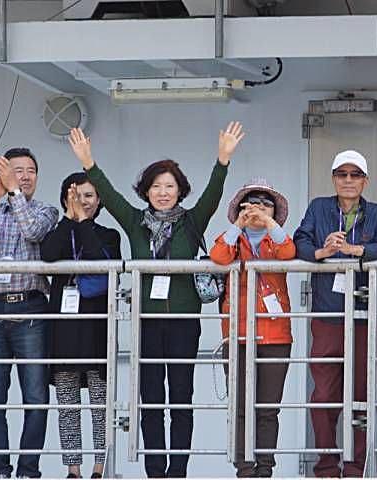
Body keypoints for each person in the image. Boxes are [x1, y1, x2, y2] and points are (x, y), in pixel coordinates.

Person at [68, 122, 245, 478]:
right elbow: (110, 196)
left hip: (183, 323)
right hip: (145, 323)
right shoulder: (135, 221)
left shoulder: (192, 221)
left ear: (180, 191)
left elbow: (213, 195)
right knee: (149, 398)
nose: (163, 193)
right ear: (146, 191)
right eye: (156, 187)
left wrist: (223, 160)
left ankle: (177, 471)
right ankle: (155, 471)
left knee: (180, 397)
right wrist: (88, 163)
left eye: (169, 186)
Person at [293, 150, 377, 477]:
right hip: (327, 313)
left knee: (362, 395)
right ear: (333, 178)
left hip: (365, 315)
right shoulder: (318, 207)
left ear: (365, 180)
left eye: (355, 175)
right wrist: (322, 252)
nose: (348, 180)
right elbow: (299, 242)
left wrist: (354, 250)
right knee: (323, 396)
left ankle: (355, 468)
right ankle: (326, 466)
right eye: (342, 174)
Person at [0, 148, 59, 479]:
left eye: (30, 171)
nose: (24, 176)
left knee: (35, 396)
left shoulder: (45, 210)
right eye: (17, 170)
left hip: (31, 307)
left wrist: (14, 193)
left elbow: (33, 232)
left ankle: (28, 471)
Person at [210, 178, 295, 477]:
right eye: (251, 203)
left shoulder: (277, 238)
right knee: (241, 407)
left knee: (268, 408)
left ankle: (265, 469)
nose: (257, 209)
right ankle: (245, 469)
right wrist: (239, 224)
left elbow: (288, 252)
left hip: (276, 335)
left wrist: (269, 223)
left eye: (265, 204)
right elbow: (218, 256)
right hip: (238, 334)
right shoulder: (232, 239)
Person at [40, 173, 121, 479]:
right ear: (65, 199)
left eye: (89, 195)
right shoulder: (60, 232)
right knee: (67, 403)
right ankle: (73, 469)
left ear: (99, 201)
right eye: (76, 195)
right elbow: (48, 255)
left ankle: (99, 467)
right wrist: (69, 220)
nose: (83, 201)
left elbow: (99, 257)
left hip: (97, 326)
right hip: (64, 326)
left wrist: (83, 223)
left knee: (100, 404)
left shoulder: (109, 234)